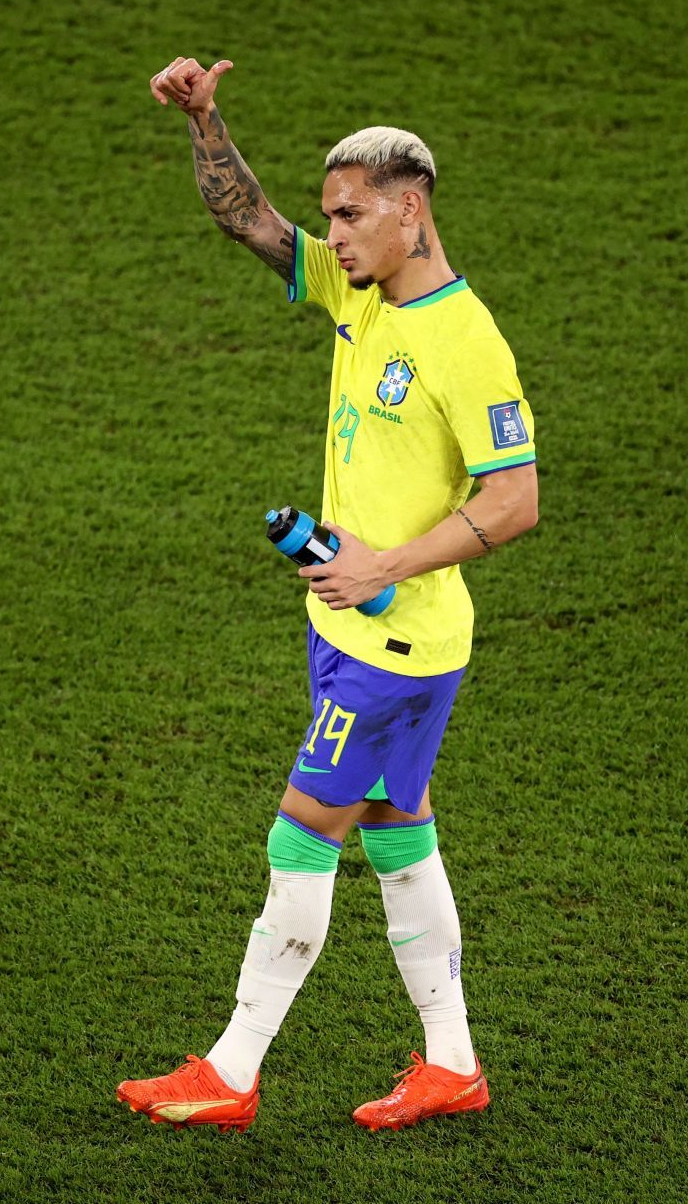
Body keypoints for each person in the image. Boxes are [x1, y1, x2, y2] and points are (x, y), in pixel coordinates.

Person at [115, 56, 541, 1132]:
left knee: (301, 837)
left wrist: (380, 567)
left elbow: (518, 497)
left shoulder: (464, 339)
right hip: (356, 629)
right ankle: (452, 1061)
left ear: (413, 208)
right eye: (332, 218)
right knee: (401, 832)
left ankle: (232, 1068)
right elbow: (245, 219)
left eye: (353, 216)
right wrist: (204, 120)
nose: (335, 236)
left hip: (396, 644)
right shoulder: (357, 295)